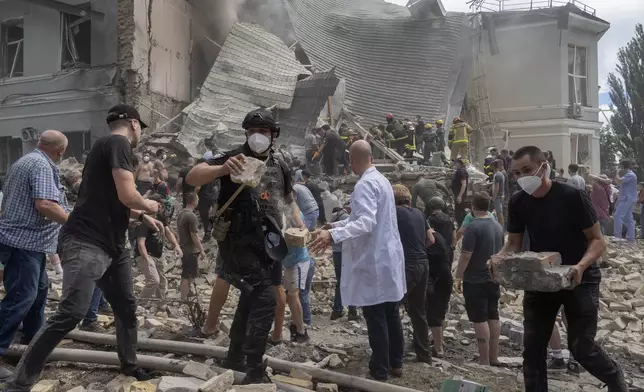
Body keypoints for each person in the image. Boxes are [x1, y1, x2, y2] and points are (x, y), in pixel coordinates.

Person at [5, 105, 163, 391]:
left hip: (113, 245)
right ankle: (20, 382)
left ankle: (130, 364)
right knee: (71, 312)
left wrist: (140, 216)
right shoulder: (118, 142)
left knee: (126, 307)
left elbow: (107, 202)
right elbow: (129, 194)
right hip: (87, 242)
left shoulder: (103, 148)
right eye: (140, 126)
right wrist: (148, 204)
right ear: (133, 123)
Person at [186, 108, 305, 384]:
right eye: (252, 132)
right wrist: (223, 169)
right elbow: (193, 176)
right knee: (266, 296)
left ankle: (235, 356)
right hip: (237, 241)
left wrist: (300, 225)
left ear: (273, 135)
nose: (257, 137)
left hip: (270, 243)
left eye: (262, 132)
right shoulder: (234, 158)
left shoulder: (281, 164)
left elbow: (289, 200)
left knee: (252, 297)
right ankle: (254, 368)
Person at [501, 146, 626, 392]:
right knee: (533, 348)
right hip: (541, 279)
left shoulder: (572, 196)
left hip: (580, 277)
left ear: (543, 166)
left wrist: (580, 266)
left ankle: (615, 380)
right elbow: (514, 242)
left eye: (526, 170)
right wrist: (499, 259)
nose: (521, 177)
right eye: (516, 173)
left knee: (581, 347)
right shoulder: (518, 202)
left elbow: (598, 240)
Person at [310, 140, 405, 381]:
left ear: (353, 159)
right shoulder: (382, 181)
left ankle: (379, 371)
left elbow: (366, 222)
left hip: (374, 259)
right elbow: (362, 218)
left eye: (349, 160)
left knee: (376, 317)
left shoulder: (365, 185)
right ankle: (396, 363)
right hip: (387, 257)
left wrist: (333, 235)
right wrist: (336, 225)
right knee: (391, 314)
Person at [0, 131, 69, 382]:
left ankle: (31, 346)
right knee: (22, 296)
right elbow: (46, 205)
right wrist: (75, 224)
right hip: (23, 242)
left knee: (39, 291)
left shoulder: (27, 161)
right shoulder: (41, 166)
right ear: (60, 150)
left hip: (31, 244)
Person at [454, 192, 503, 366]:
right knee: (493, 315)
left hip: (475, 280)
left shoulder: (473, 227)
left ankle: (484, 361)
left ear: (473, 207)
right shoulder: (497, 225)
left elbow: (466, 256)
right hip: (493, 278)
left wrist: (458, 277)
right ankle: (493, 357)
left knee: (479, 319)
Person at [392, 184, 434, 364]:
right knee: (419, 311)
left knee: (391, 308)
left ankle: (395, 355)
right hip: (423, 264)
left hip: (407, 265)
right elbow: (431, 239)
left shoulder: (394, 213)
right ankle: (424, 355)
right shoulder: (419, 213)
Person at [135, 194, 180, 300]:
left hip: (158, 254)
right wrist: (147, 260)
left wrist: (176, 245)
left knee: (162, 281)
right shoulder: (144, 221)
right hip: (145, 254)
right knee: (154, 280)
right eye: (158, 204)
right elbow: (141, 243)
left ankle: (161, 304)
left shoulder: (160, 216)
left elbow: (168, 232)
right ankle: (140, 304)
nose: (160, 207)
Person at [281, 211, 312, 343]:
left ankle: (301, 331)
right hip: (288, 262)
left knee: (294, 295)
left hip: (298, 261)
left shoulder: (295, 213)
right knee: (290, 295)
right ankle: (295, 326)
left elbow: (301, 228)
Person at [424, 226, 452, 358]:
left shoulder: (428, 241)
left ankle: (438, 348)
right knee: (439, 313)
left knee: (433, 314)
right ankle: (439, 342)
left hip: (436, 280)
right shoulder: (440, 237)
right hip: (446, 278)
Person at [329, 206, 358, 321]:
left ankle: (337, 310)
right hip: (345, 253)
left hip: (336, 252)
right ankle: (351, 311)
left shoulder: (334, 218)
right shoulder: (346, 217)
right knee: (350, 280)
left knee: (340, 281)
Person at [176, 193, 206, 300]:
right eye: (197, 201)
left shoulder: (181, 214)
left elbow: (184, 232)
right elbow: (194, 235)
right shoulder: (191, 216)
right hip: (190, 249)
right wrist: (201, 250)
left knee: (189, 273)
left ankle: (188, 293)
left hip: (183, 247)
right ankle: (183, 298)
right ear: (194, 202)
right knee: (187, 274)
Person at [614, 160, 638, 241]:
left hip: (627, 199)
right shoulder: (629, 175)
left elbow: (618, 181)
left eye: (620, 167)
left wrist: (617, 173)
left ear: (623, 167)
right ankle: (630, 237)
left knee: (617, 215)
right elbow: (618, 182)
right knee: (628, 218)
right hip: (628, 199)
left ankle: (617, 236)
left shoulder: (630, 175)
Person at [451, 158, 469, 227]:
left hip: (459, 194)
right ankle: (464, 226)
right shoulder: (460, 171)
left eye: (455, 163)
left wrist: (459, 196)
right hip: (458, 193)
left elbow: (464, 184)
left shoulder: (462, 172)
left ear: (459, 163)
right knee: (461, 210)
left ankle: (461, 227)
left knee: (459, 212)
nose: (454, 164)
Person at [491, 160, 506, 228]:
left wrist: (493, 198)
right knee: (498, 212)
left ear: (494, 166)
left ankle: (501, 228)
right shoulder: (500, 174)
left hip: (498, 196)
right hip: (500, 195)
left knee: (499, 213)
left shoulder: (497, 175)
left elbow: (496, 188)